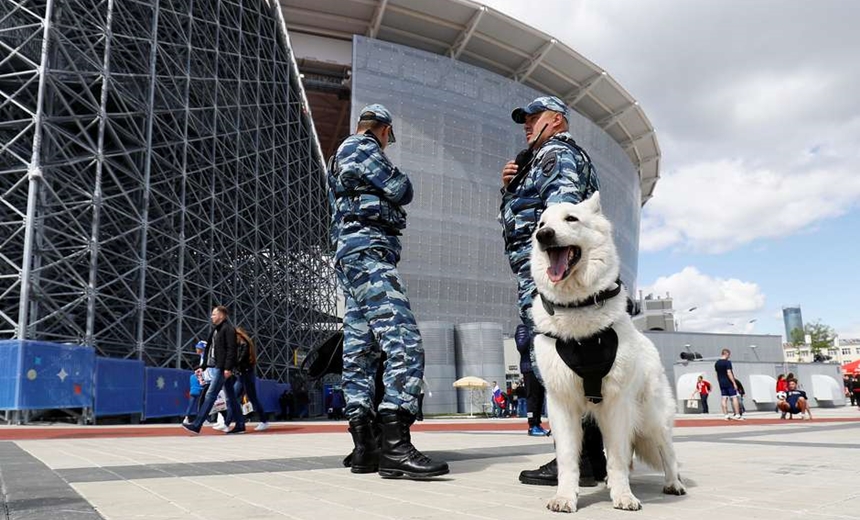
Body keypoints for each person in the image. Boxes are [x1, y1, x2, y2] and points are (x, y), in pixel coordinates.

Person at [327, 103, 448, 478]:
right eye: (388, 137)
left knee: (360, 351)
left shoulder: (341, 155)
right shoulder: (362, 148)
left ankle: (365, 446)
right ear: (382, 130)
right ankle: (396, 445)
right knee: (404, 341)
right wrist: (393, 186)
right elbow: (402, 188)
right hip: (368, 253)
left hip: (353, 254)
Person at [499, 95, 604, 487]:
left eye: (534, 118)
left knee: (558, 364)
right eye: (523, 120)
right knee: (561, 362)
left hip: (549, 279)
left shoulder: (556, 154)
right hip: (544, 277)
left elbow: (561, 222)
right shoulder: (535, 161)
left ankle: (579, 460)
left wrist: (553, 281)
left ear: (557, 120)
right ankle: (589, 458)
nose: (527, 125)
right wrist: (511, 187)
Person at [182, 306, 245, 434]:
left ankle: (197, 425)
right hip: (217, 367)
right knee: (231, 398)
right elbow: (210, 351)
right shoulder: (216, 330)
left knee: (210, 395)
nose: (212, 317)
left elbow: (231, 350)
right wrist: (202, 366)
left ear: (221, 315)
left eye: (214, 314)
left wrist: (228, 368)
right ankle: (240, 424)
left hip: (221, 368)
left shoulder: (228, 329)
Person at [228, 327, 269, 431]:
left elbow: (240, 360)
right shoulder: (240, 345)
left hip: (246, 374)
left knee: (252, 399)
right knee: (232, 396)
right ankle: (227, 422)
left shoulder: (244, 344)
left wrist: (230, 364)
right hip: (241, 375)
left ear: (238, 335)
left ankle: (264, 421)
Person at [515, 324, 550, 435]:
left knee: (540, 397)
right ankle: (532, 425)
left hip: (541, 368)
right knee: (532, 396)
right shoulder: (523, 328)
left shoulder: (540, 327)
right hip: (529, 368)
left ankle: (537, 424)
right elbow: (521, 346)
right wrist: (532, 334)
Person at [714, 349, 743, 421]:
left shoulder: (717, 363)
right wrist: (734, 383)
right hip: (729, 382)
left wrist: (719, 382)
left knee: (724, 398)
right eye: (729, 355)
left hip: (721, 383)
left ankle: (726, 415)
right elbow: (729, 372)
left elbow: (716, 374)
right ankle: (737, 414)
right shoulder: (727, 362)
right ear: (726, 354)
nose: (729, 356)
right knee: (734, 397)